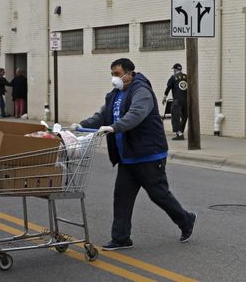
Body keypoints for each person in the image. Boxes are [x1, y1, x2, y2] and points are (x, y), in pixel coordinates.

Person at [72, 58, 196, 251]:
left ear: (129, 73)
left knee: (158, 194)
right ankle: (121, 238)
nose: (115, 78)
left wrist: (114, 127)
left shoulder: (141, 91)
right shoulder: (115, 94)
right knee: (121, 196)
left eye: (118, 74)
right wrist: (82, 125)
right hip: (128, 156)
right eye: (112, 74)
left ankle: (186, 220)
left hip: (148, 154)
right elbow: (103, 115)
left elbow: (136, 115)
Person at [162, 63, 188, 141]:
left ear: (175, 70)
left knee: (175, 117)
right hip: (186, 100)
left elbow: (168, 88)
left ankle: (179, 134)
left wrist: (164, 97)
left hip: (177, 100)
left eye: (174, 69)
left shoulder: (173, 77)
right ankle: (181, 132)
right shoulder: (186, 77)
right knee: (184, 116)